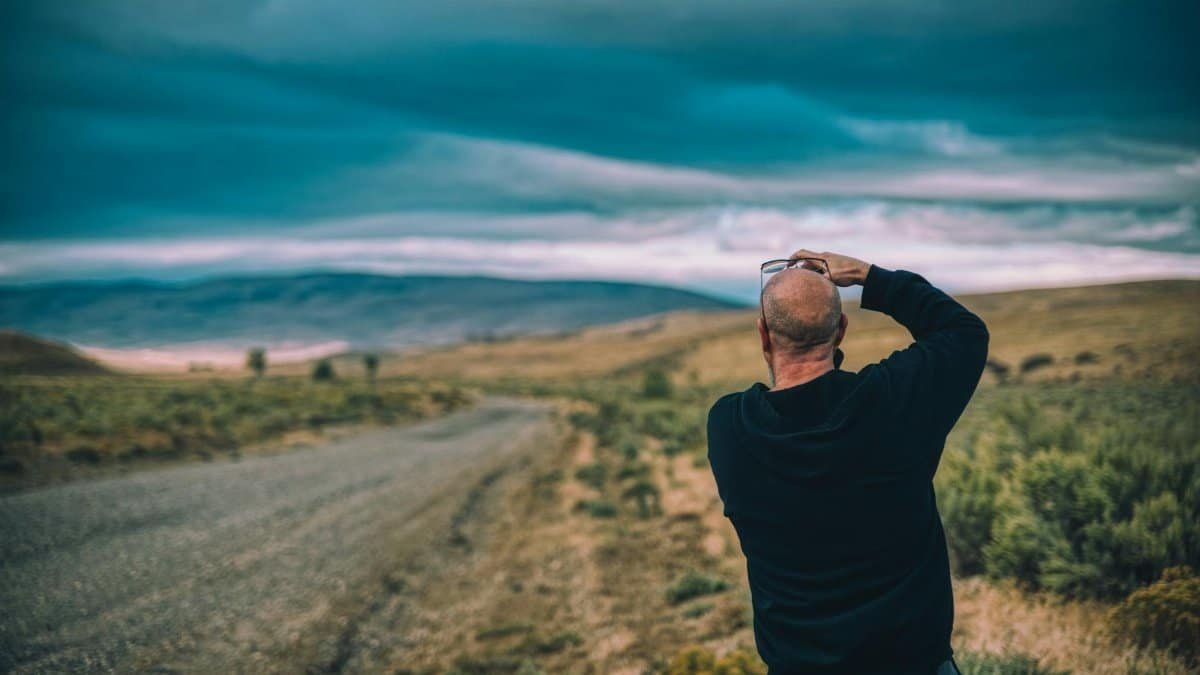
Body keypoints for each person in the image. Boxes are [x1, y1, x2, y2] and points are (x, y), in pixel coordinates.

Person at [706, 250, 989, 675]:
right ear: (841, 330)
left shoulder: (730, 427)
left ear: (764, 336)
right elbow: (963, 331)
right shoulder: (890, 404)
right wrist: (869, 277)